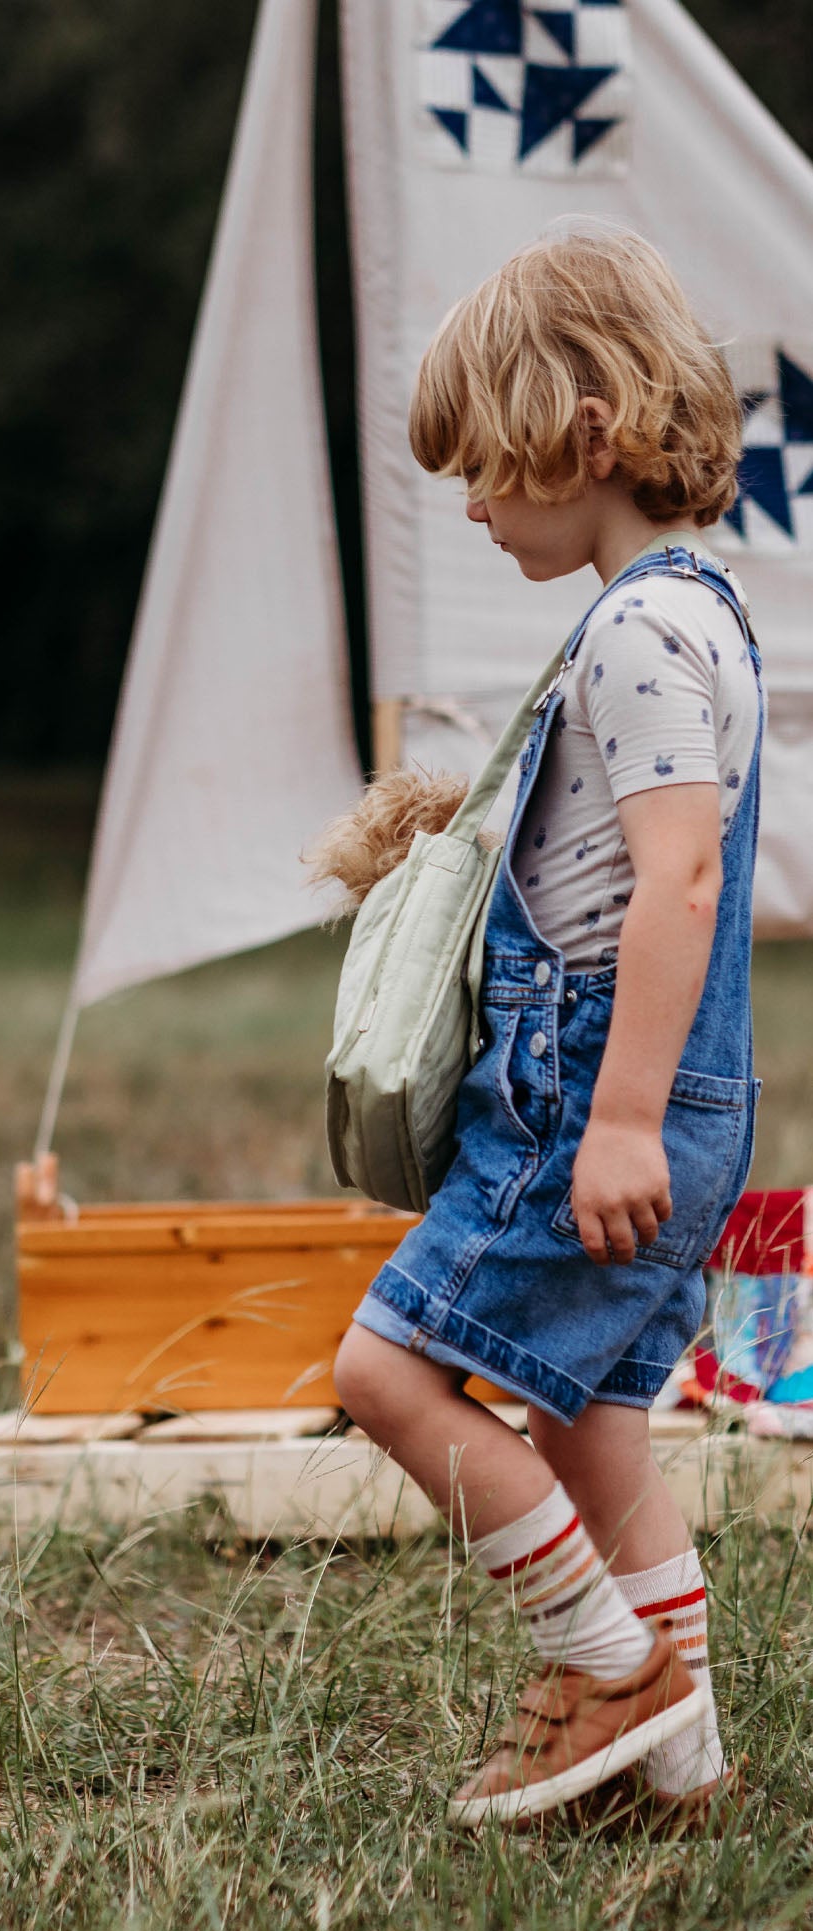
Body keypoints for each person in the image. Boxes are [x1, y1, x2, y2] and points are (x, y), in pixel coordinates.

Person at [333, 223, 760, 1829]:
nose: (467, 503)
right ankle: (677, 1767)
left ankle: (602, 1664)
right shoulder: (688, 608)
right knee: (588, 1426)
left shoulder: (641, 629)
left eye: (482, 468)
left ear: (580, 427)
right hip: (653, 1088)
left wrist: (620, 1119)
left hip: (594, 1088)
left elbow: (682, 879)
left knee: (383, 1375)